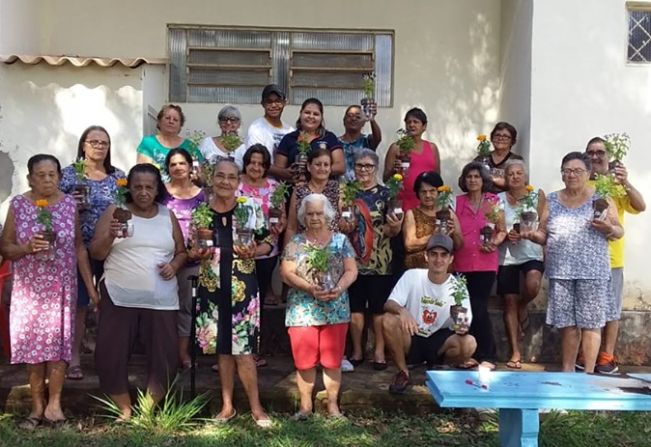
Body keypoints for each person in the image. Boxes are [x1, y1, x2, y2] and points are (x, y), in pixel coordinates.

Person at [0, 154, 97, 428]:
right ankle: (36, 407)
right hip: (29, 291)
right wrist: (25, 249)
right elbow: (5, 247)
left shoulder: (68, 205)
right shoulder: (18, 205)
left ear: (60, 177)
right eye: (40, 175)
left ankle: (55, 406)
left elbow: (79, 247)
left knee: (59, 348)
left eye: (52, 174)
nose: (47, 179)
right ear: (30, 178)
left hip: (60, 289)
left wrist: (90, 287)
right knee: (34, 351)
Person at [90, 164, 187, 421]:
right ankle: (124, 408)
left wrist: (174, 265)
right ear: (129, 189)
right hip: (119, 296)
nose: (143, 192)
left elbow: (181, 251)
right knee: (110, 354)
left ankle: (148, 408)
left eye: (149, 187)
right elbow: (96, 253)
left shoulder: (167, 215)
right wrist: (111, 235)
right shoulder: (116, 212)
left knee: (166, 356)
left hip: (162, 299)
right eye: (138, 187)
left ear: (157, 190)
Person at [188, 158, 273, 427]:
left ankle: (256, 407)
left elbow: (269, 242)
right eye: (220, 176)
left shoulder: (250, 210)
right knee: (222, 350)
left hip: (242, 289)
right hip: (212, 287)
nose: (225, 182)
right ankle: (227, 406)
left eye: (231, 177)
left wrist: (255, 251)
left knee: (243, 350)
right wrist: (196, 253)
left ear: (238, 181)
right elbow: (192, 248)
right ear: (212, 178)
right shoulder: (201, 212)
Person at [522, 152, 623, 373]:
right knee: (567, 326)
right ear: (562, 174)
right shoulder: (551, 199)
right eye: (567, 171)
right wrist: (531, 235)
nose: (572, 175)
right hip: (561, 272)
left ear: (588, 173)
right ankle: (568, 375)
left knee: (591, 325)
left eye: (577, 171)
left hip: (593, 272)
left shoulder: (601, 196)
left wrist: (608, 228)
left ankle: (587, 375)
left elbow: (618, 231)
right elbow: (543, 234)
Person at [280, 193, 358, 419]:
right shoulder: (296, 242)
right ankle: (305, 407)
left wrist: (340, 287)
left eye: (319, 213)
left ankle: (332, 406)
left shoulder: (340, 240)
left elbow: (352, 270)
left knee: (332, 360)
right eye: (310, 213)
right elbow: (286, 273)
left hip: (336, 307)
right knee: (304, 361)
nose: (315, 218)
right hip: (303, 310)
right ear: (304, 216)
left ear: (328, 215)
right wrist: (310, 288)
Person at [59, 125, 126, 381]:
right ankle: (74, 358)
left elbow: (123, 208)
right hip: (76, 248)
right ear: (83, 145)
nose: (99, 146)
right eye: (93, 141)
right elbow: (54, 207)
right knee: (80, 304)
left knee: (109, 302)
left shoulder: (117, 176)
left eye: (104, 143)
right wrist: (70, 205)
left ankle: (107, 356)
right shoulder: (68, 175)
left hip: (110, 247)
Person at [579, 138, 645, 373]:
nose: (595, 156)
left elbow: (640, 206)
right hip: (584, 258)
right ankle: (584, 354)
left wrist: (625, 181)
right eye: (591, 152)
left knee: (611, 310)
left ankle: (606, 357)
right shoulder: (581, 180)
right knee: (584, 308)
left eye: (600, 152)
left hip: (612, 258)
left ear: (609, 155)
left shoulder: (617, 183)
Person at [382, 234, 476, 394]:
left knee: (469, 343)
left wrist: (461, 326)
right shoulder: (412, 275)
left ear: (451, 259)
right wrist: (402, 310)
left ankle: (442, 367)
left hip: (440, 339)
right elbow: (389, 303)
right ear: (426, 256)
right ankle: (403, 371)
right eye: (434, 254)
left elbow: (464, 324)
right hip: (413, 334)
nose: (438, 260)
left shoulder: (458, 285)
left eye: (443, 255)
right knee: (388, 320)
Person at [345, 149, 401, 370]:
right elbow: (341, 220)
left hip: (381, 259)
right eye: (359, 165)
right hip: (353, 260)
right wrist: (344, 224)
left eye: (368, 166)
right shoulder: (347, 192)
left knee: (378, 309)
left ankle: (379, 351)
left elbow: (394, 226)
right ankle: (358, 350)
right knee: (356, 309)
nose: (363, 170)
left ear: (376, 169)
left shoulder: (388, 194)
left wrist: (394, 227)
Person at [454, 162, 506, 370]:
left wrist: (494, 243)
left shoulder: (493, 202)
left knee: (479, 307)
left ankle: (489, 355)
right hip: (461, 262)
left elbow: (502, 230)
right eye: (469, 177)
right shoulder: (457, 202)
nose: (472, 180)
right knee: (463, 309)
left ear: (483, 180)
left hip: (485, 263)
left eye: (476, 177)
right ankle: (470, 353)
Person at [497, 160, 545, 369]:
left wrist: (534, 234)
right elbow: (498, 226)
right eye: (511, 174)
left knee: (533, 285)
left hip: (532, 251)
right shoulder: (498, 199)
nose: (515, 177)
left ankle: (523, 305)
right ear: (505, 178)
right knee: (508, 300)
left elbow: (544, 224)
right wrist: (507, 235)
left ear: (525, 176)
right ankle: (515, 351)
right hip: (507, 255)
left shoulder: (537, 195)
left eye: (519, 173)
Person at [161, 148, 205, 369]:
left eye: (182, 163)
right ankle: (163, 351)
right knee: (162, 307)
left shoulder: (202, 195)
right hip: (163, 259)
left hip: (192, 260)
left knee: (186, 308)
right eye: (173, 164)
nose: (178, 167)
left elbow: (207, 227)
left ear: (190, 167)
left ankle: (182, 353)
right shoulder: (161, 194)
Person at [237, 144, 285, 307]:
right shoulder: (235, 183)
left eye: (261, 164)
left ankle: (259, 330)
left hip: (266, 250)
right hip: (238, 249)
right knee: (240, 296)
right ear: (245, 163)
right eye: (252, 162)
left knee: (260, 296)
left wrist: (278, 226)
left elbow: (281, 216)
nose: (256, 167)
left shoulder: (274, 186)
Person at [382, 108, 441, 212]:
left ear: (424, 126)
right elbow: (386, 179)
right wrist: (395, 170)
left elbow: (437, 178)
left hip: (428, 203)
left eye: (416, 122)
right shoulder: (396, 148)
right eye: (408, 122)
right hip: (403, 203)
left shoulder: (432, 148)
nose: (412, 125)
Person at [273, 98, 344, 180]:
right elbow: (278, 170)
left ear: (321, 117)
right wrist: (290, 173)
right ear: (300, 114)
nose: (311, 116)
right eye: (307, 112)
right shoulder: (289, 139)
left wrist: (313, 169)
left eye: (316, 114)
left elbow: (340, 167)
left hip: (323, 190)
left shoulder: (329, 137)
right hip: (294, 189)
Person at [403, 171, 463, 269]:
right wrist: (433, 236)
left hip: (443, 270)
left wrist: (454, 232)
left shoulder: (448, 213)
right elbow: (409, 245)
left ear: (438, 192)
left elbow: (459, 245)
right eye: (423, 191)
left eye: (432, 191)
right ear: (418, 193)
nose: (428, 195)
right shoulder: (412, 214)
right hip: (418, 270)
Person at [284, 148, 340, 246]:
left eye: (326, 165)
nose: (322, 168)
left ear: (330, 168)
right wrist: (287, 255)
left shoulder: (338, 189)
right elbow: (291, 227)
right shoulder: (299, 191)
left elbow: (346, 220)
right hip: (304, 248)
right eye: (318, 164)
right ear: (309, 167)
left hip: (332, 247)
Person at [136, 104, 203, 181]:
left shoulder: (190, 146)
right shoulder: (148, 143)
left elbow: (200, 173)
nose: (171, 121)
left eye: (175, 120)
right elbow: (142, 172)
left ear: (180, 125)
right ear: (159, 122)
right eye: (167, 118)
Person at [245, 84, 294, 165]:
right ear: (263, 104)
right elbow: (255, 162)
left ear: (285, 102)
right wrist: (283, 173)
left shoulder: (290, 130)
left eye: (278, 101)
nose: (273, 105)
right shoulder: (256, 129)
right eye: (269, 102)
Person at [474, 122, 523, 193]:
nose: (500, 138)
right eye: (497, 135)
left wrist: (490, 177)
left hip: (507, 201)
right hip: (481, 200)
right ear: (492, 138)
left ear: (512, 141)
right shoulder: (482, 158)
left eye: (505, 136)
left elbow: (518, 184)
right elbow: (465, 180)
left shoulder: (516, 160)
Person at [339, 104, 381, 180]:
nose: (353, 118)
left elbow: (377, 138)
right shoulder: (336, 142)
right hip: (341, 187)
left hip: (364, 186)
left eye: (358, 117)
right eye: (350, 116)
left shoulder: (367, 140)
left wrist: (372, 119)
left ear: (364, 122)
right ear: (344, 121)